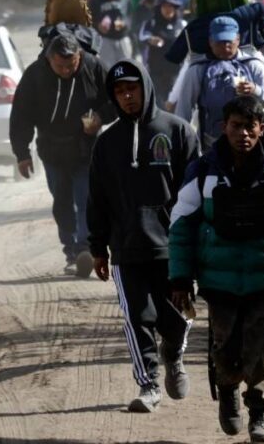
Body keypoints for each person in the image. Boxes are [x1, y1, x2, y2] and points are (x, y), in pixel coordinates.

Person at [168, 94, 264, 442]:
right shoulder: (203, 170)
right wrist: (180, 277)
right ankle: (227, 389)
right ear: (224, 128)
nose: (243, 134)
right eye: (236, 126)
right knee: (226, 346)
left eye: (250, 127)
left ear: (262, 128)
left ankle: (259, 413)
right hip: (218, 283)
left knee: (260, 348)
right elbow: (181, 225)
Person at [88, 59, 199, 413]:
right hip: (125, 247)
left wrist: (198, 243)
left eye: (132, 88)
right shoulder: (106, 143)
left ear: (145, 88)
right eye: (119, 91)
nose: (127, 96)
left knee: (178, 318)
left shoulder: (180, 132)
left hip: (173, 247)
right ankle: (148, 384)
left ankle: (174, 356)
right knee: (137, 318)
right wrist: (97, 248)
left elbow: (195, 192)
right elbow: (97, 197)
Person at [9, 33, 114, 277]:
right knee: (62, 200)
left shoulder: (93, 66)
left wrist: (100, 117)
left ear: (80, 56)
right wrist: (22, 153)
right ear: (49, 59)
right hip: (51, 149)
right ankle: (71, 250)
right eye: (60, 65)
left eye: (71, 64)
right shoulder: (35, 74)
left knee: (86, 197)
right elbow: (21, 116)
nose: (66, 70)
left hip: (85, 147)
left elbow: (114, 97)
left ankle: (84, 249)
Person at [172, 16, 264, 150]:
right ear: (210, 41)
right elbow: (184, 108)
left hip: (249, 142)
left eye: (228, 41)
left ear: (238, 39)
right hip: (212, 143)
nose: (225, 46)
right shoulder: (198, 69)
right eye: (219, 42)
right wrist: (179, 142)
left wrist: (255, 90)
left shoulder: (254, 65)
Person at [138, 0, 186, 109]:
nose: (168, 9)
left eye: (171, 6)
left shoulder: (182, 24)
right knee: (157, 105)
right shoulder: (151, 23)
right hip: (156, 71)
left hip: (176, 72)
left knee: (174, 105)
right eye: (165, 6)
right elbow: (142, 35)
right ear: (159, 7)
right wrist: (150, 39)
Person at [89, 0, 133, 70]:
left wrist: (126, 23)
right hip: (106, 38)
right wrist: (98, 26)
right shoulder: (96, 0)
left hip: (122, 37)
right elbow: (90, 18)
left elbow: (131, 15)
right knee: (108, 67)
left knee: (126, 65)